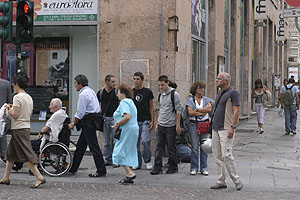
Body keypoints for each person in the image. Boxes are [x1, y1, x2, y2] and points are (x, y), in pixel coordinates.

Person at [0, 75, 46, 188]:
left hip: (18, 128)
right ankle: (6, 177)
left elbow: (15, 115)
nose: (13, 87)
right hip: (25, 126)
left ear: (16, 84)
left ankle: (39, 177)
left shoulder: (17, 97)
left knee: (24, 154)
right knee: (10, 155)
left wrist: (8, 108)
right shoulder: (28, 97)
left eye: (13, 85)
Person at [68, 74, 107, 177]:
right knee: (81, 146)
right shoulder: (90, 91)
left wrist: (73, 123)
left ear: (80, 84)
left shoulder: (83, 95)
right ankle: (73, 168)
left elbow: (80, 113)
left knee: (94, 147)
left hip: (88, 122)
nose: (74, 86)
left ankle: (101, 170)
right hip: (92, 120)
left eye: (75, 83)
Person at [210, 72, 243, 190]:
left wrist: (233, 127)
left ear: (225, 81)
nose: (216, 80)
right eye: (216, 78)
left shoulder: (233, 93)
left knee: (227, 155)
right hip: (216, 128)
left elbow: (236, 111)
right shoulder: (219, 93)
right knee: (217, 155)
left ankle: (237, 180)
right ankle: (221, 180)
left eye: (219, 79)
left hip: (226, 128)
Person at [150, 75, 183, 175]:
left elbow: (179, 110)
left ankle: (173, 166)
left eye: (163, 85)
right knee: (159, 146)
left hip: (171, 124)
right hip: (161, 124)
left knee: (171, 147)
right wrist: (157, 122)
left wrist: (177, 125)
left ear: (167, 83)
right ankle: (157, 167)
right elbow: (160, 109)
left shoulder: (174, 94)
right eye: (159, 85)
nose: (161, 87)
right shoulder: (160, 95)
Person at [112, 84, 139, 184]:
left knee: (118, 151)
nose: (117, 95)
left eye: (118, 92)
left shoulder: (124, 102)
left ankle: (130, 173)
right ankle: (128, 174)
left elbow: (127, 116)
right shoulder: (130, 102)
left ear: (123, 93)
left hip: (126, 129)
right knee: (127, 151)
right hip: (132, 129)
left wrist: (117, 124)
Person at [186, 81, 213, 176]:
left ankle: (204, 167)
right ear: (195, 90)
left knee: (204, 146)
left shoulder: (206, 99)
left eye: (203, 88)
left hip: (205, 124)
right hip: (194, 125)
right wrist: (203, 112)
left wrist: (197, 110)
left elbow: (209, 109)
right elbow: (190, 113)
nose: (202, 90)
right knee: (194, 147)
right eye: (200, 88)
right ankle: (194, 167)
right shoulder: (190, 100)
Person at [132, 72, 154, 170]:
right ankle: (137, 162)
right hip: (134, 121)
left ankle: (148, 160)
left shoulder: (147, 92)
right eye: (134, 79)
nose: (135, 81)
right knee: (135, 143)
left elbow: (151, 106)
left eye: (137, 79)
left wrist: (152, 120)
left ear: (142, 80)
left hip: (145, 120)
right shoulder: (131, 92)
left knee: (145, 141)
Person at [96, 74, 119, 166]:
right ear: (107, 82)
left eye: (114, 81)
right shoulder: (101, 92)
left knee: (115, 140)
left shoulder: (116, 92)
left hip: (115, 119)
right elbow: (97, 104)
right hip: (105, 118)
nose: (114, 83)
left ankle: (116, 160)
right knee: (106, 142)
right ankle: (108, 159)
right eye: (112, 81)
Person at [0, 68, 12, 165]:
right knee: (2, 134)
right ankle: (4, 154)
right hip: (2, 113)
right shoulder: (6, 84)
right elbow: (9, 100)